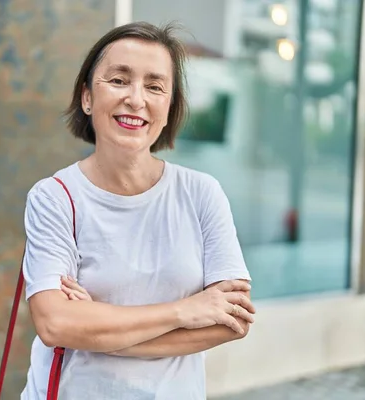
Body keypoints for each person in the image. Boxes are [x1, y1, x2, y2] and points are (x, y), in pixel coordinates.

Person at [20, 21, 255, 400]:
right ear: (86, 97)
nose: (136, 99)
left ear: (169, 106)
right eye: (118, 80)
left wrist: (102, 334)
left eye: (155, 86)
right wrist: (185, 310)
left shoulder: (201, 194)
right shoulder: (54, 197)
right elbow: (54, 322)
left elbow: (234, 320)